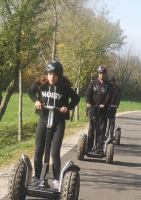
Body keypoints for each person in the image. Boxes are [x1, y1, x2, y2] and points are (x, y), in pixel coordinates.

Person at [28, 61, 80, 189]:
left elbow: (76, 98)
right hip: (44, 119)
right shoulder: (41, 84)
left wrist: (67, 107)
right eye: (50, 74)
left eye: (55, 75)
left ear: (59, 76)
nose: (52, 77)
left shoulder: (64, 87)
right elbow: (30, 91)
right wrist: (36, 101)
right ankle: (38, 178)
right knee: (38, 150)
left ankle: (56, 180)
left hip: (58, 122)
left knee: (55, 152)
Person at [85, 65, 112, 150]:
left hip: (103, 109)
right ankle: (89, 146)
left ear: (105, 74)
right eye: (100, 73)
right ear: (98, 73)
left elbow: (109, 97)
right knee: (91, 127)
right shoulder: (93, 83)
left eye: (103, 73)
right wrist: (88, 102)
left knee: (101, 128)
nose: (101, 75)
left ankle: (100, 146)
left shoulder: (108, 85)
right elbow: (88, 94)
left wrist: (104, 104)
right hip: (93, 108)